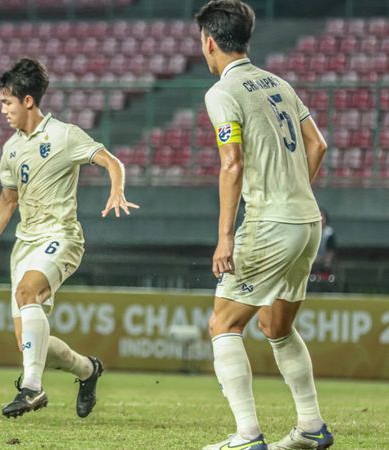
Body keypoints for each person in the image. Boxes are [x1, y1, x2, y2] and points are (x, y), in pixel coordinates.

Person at [0, 58, 138, 419]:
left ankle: (32, 388)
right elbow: (7, 200)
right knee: (29, 343)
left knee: (25, 294)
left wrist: (117, 189)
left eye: (7, 102)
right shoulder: (12, 149)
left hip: (61, 236)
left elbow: (111, 160)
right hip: (26, 243)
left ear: (28, 101)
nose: (3, 110)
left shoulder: (64, 135)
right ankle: (88, 370)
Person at [195, 1, 333, 449]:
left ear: (209, 42)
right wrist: (296, 192)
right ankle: (311, 427)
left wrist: (224, 237)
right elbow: (319, 144)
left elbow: (231, 164)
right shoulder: (279, 83)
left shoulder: (222, 92)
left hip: (270, 223)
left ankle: (247, 436)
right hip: (306, 221)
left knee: (223, 325)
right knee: (276, 327)